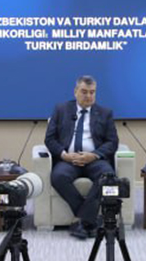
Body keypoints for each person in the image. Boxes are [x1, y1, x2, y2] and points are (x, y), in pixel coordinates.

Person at [44, 75, 119, 239]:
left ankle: (82, 221)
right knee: (58, 177)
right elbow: (49, 139)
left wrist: (94, 155)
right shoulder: (61, 110)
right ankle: (90, 220)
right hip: (68, 160)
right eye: (84, 92)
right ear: (75, 91)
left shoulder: (105, 113)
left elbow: (112, 142)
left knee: (108, 177)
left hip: (94, 160)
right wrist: (64, 155)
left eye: (92, 92)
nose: (88, 96)